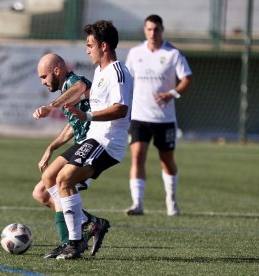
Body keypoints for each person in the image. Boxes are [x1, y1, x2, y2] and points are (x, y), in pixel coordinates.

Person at [40, 20, 133, 260]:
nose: (87, 50)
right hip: (93, 138)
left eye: (90, 45)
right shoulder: (100, 71)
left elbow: (120, 109)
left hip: (107, 143)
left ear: (104, 46)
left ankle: (74, 242)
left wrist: (87, 115)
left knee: (65, 178)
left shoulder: (118, 72)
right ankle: (87, 227)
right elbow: (83, 91)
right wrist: (57, 107)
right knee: (50, 177)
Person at [32, 53, 109, 259]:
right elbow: (72, 127)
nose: (43, 82)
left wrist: (53, 106)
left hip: (92, 144)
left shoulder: (74, 82)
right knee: (41, 192)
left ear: (57, 70)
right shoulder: (66, 89)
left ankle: (73, 239)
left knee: (54, 181)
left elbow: (81, 88)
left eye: (44, 76)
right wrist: (51, 147)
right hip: (80, 142)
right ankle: (87, 226)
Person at [124, 14, 193, 216]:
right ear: (145, 30)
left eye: (156, 29)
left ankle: (171, 199)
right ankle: (137, 203)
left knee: (167, 160)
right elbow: (126, 80)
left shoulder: (173, 54)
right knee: (137, 157)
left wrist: (172, 93)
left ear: (162, 30)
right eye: (149, 29)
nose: (153, 32)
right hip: (139, 117)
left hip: (164, 119)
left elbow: (188, 80)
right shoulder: (135, 53)